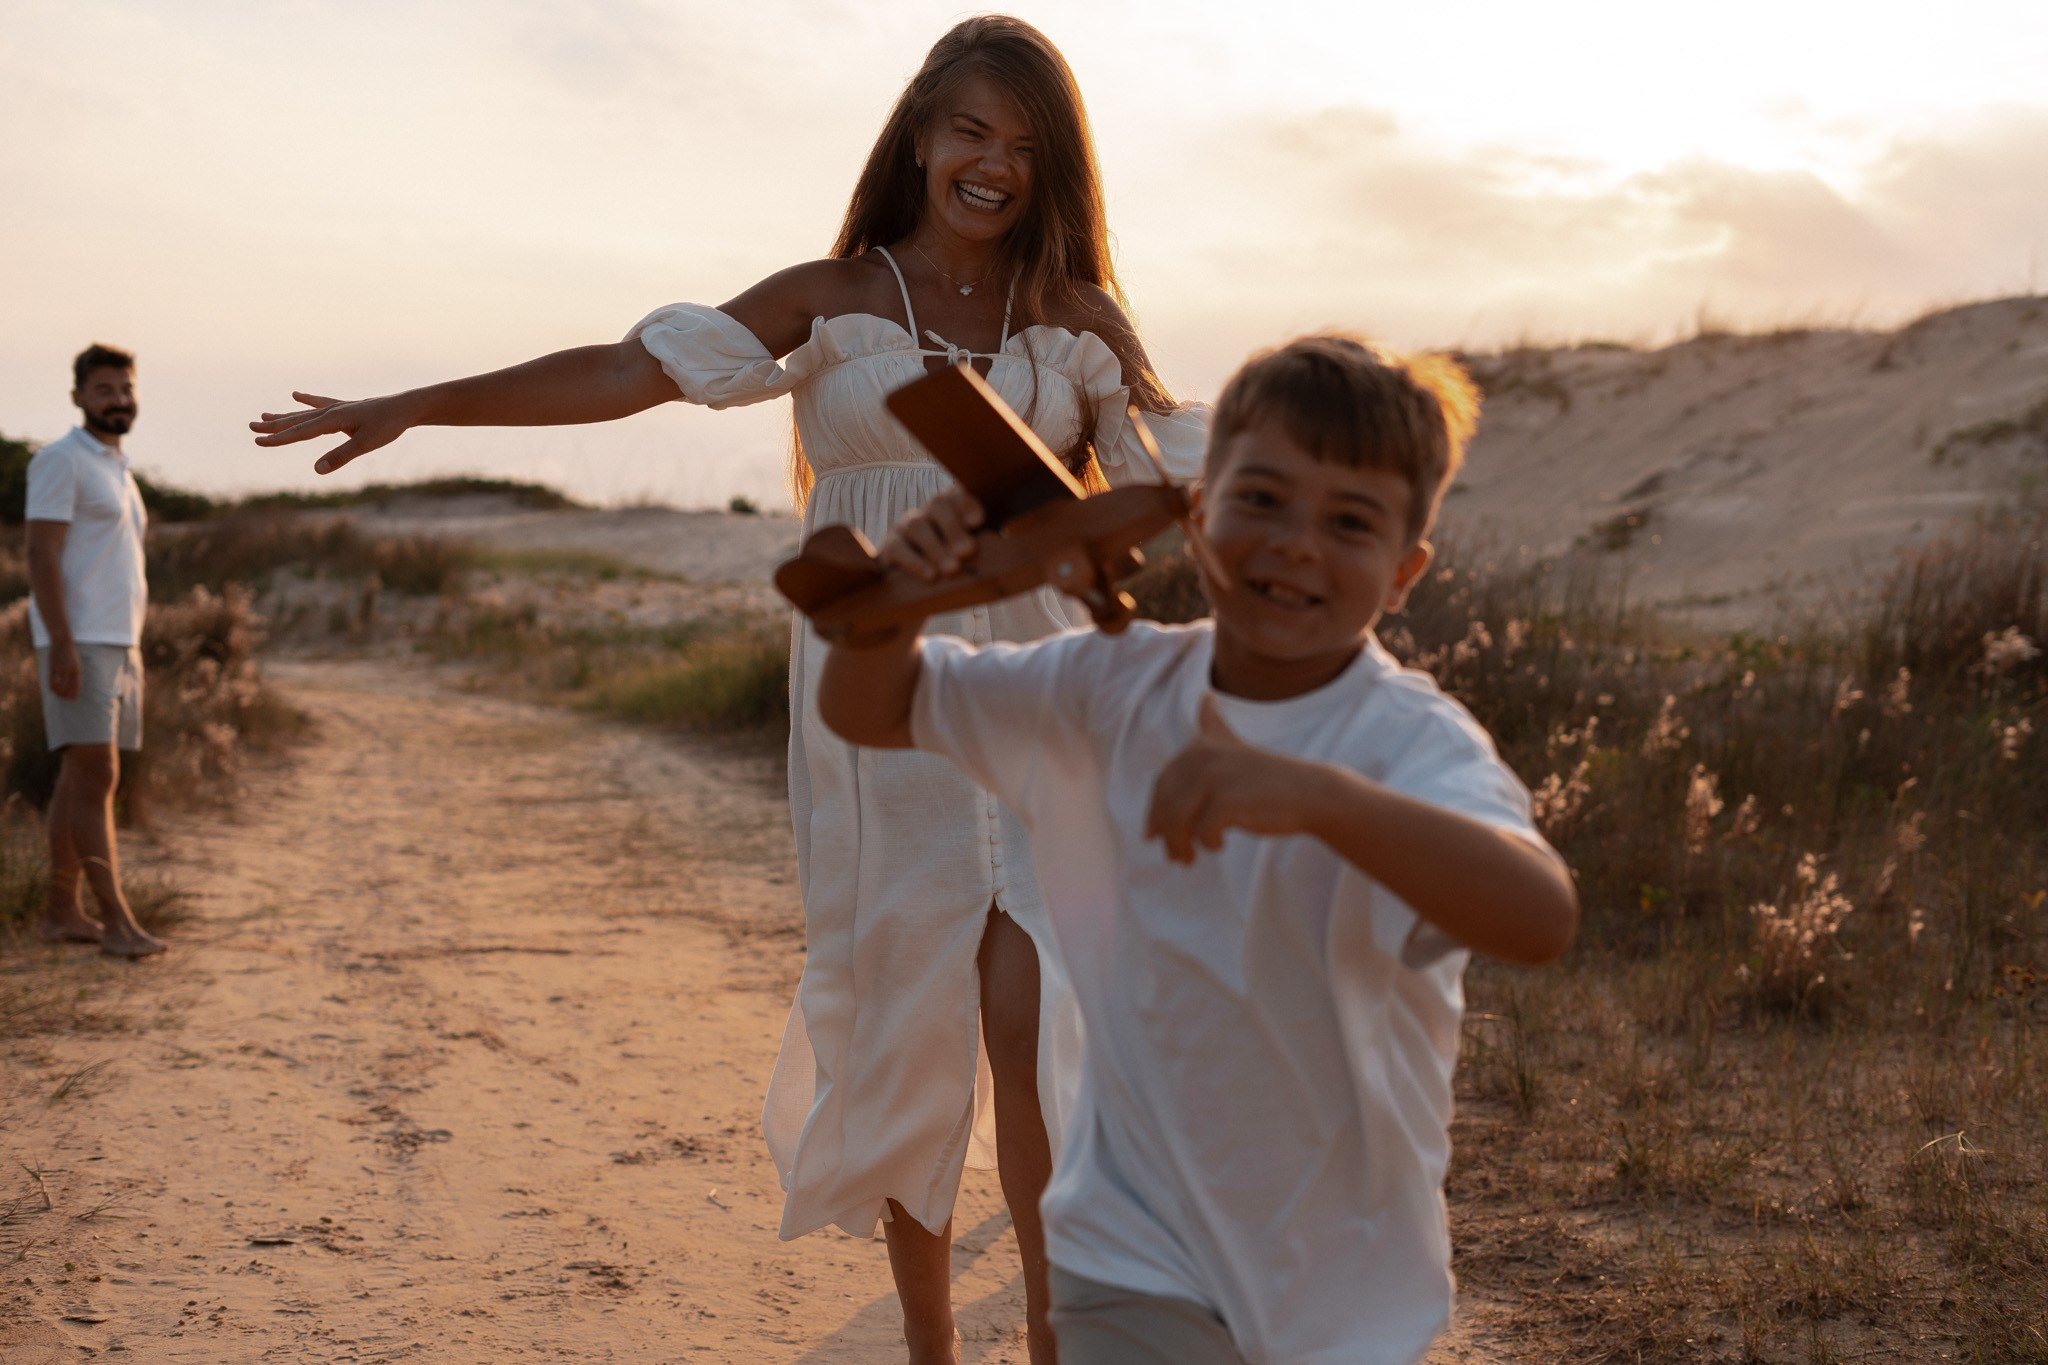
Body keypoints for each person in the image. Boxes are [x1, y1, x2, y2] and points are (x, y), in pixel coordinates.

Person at [250, 16, 1204, 1361]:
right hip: (886, 692)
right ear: (922, 133)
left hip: (1044, 688)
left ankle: (1059, 1347)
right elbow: (633, 368)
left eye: (1026, 147)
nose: (994, 164)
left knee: (1037, 1017)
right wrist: (417, 405)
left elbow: (1160, 479)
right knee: (907, 1022)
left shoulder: (1077, 324)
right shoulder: (830, 301)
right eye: (973, 131)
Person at [818, 335, 1580, 1364]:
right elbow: (874, 710)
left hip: (1339, 1278)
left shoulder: (1406, 743)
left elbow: (1538, 916)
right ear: (1195, 506)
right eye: (1259, 500)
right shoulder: (1101, 687)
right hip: (1128, 1254)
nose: (1296, 544)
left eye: (1348, 523)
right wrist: (891, 614)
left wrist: (1318, 799)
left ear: (1402, 574)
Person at [27, 344, 166, 959]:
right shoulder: (61, 460)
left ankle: (61, 912)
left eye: (125, 389)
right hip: (79, 640)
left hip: (117, 641)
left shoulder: (118, 466)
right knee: (98, 775)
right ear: (79, 396)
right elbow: (40, 554)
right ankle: (117, 922)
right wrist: (60, 644)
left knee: (78, 778)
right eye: (105, 389)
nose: (118, 400)